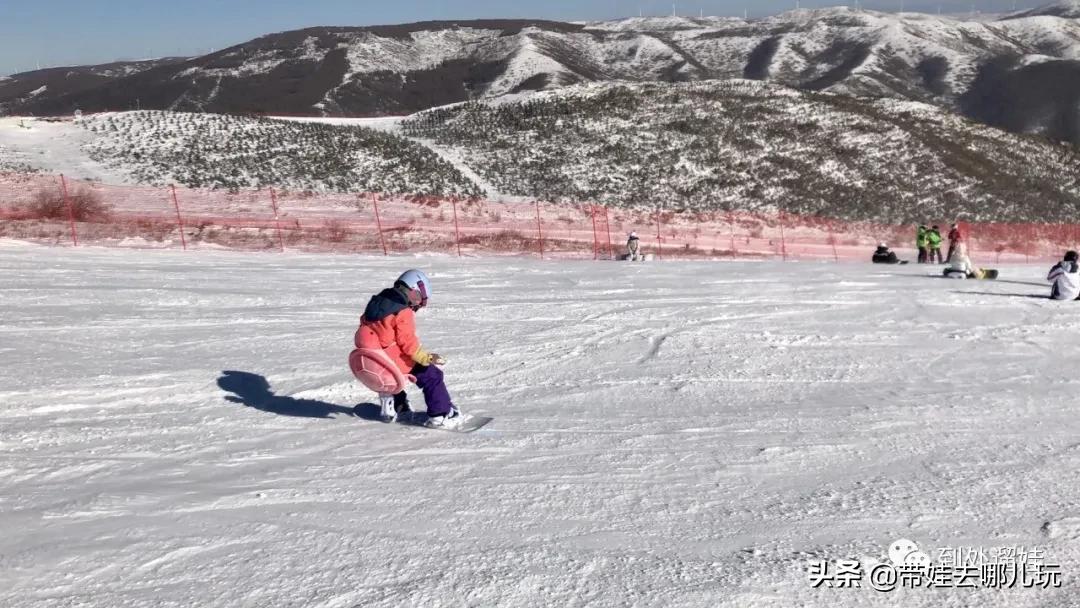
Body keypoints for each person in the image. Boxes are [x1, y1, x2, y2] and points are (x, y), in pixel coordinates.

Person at [353, 269, 462, 428]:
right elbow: (407, 343)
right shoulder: (403, 311)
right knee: (432, 375)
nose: (417, 304)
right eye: (418, 297)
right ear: (411, 290)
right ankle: (441, 415)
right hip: (394, 361)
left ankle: (400, 406)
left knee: (394, 372)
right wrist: (426, 358)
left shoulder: (376, 303)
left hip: (376, 361)